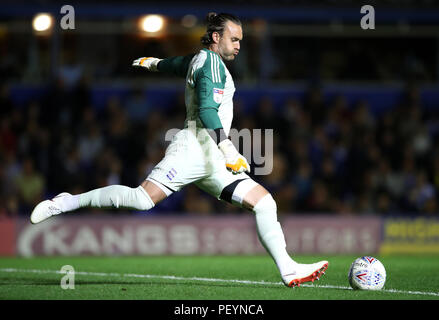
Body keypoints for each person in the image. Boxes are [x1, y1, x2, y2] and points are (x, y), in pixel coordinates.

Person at [30, 12, 328, 288]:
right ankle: (65, 203)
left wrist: (154, 63)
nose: (239, 45)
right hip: (193, 149)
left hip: (210, 157)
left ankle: (288, 269)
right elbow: (208, 111)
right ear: (216, 37)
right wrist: (228, 148)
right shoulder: (211, 66)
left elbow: (178, 64)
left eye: (240, 40)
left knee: (264, 204)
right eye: (234, 39)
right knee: (142, 200)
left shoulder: (200, 59)